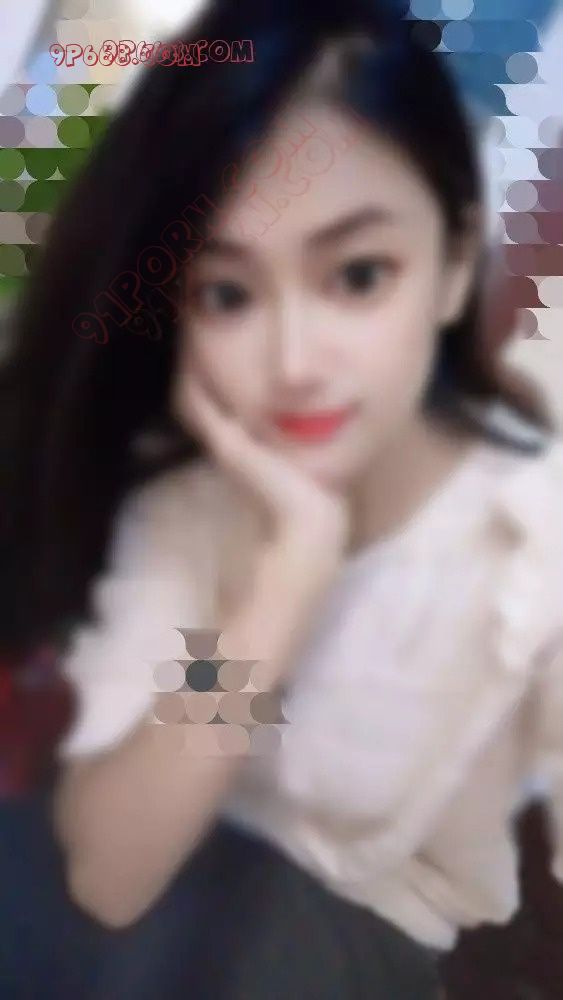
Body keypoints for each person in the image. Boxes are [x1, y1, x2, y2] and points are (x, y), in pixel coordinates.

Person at [2, 0, 562, 996]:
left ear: (449, 266)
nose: (295, 361)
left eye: (358, 275)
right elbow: (111, 873)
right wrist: (279, 588)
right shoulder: (194, 494)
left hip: (348, 918)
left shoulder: (526, 540)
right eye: (228, 293)